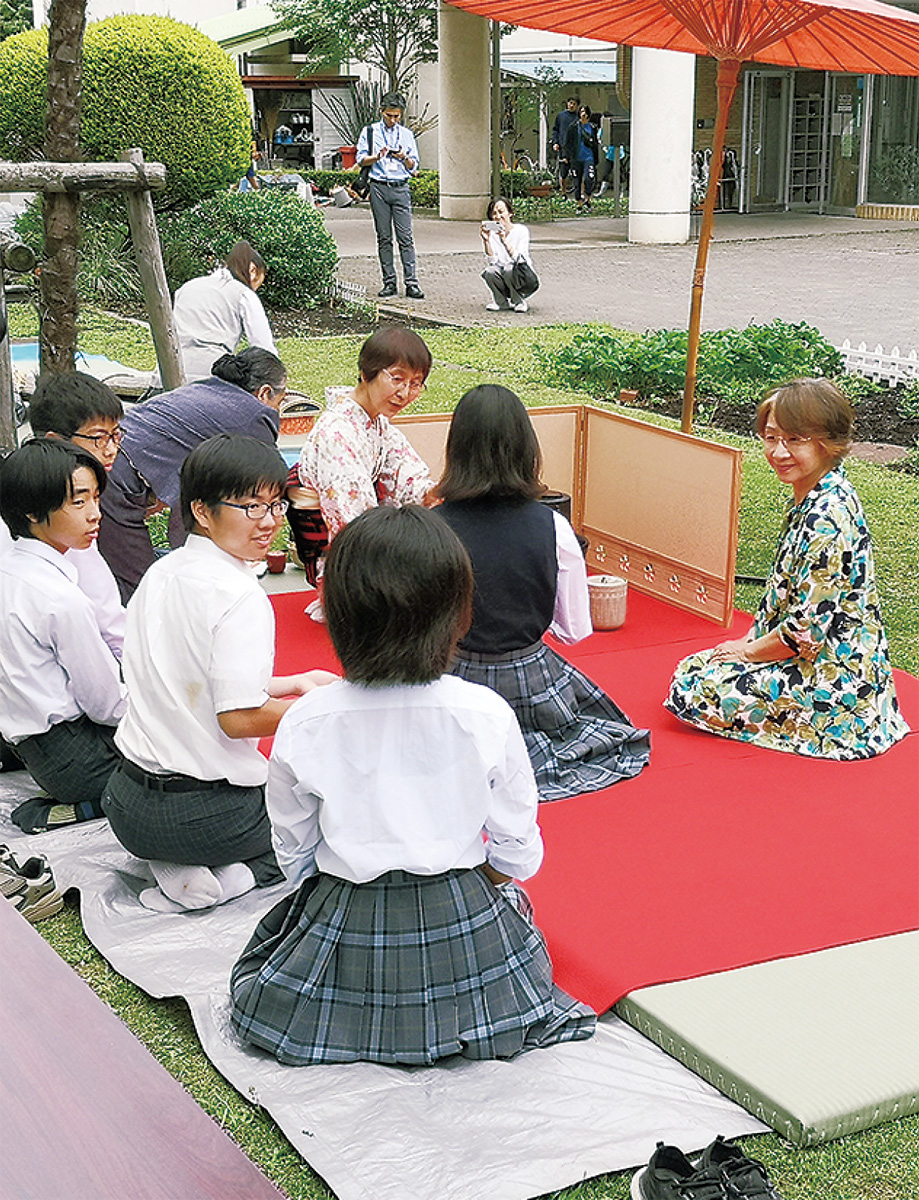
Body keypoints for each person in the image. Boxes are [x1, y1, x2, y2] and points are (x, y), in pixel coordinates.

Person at [229, 505, 596, 1065]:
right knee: (515, 920)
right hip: (463, 916)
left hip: (346, 914)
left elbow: (294, 846)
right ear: (458, 615)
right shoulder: (485, 713)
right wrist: (486, 880)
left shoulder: (306, 719)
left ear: (340, 613)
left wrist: (322, 899)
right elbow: (518, 843)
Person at [102, 435, 337, 915]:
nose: (270, 521)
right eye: (250, 506)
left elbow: (184, 678)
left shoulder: (161, 574)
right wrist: (320, 706)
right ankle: (230, 878)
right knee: (327, 821)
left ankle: (172, 864)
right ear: (202, 511)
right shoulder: (238, 595)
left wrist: (289, 685)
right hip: (205, 816)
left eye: (275, 504)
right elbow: (238, 718)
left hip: (125, 804)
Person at [666, 379, 910, 759]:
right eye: (771, 438)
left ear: (827, 443)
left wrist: (745, 653)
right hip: (832, 667)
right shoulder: (821, 494)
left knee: (694, 686)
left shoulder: (827, 517)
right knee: (698, 668)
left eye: (795, 440)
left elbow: (805, 634)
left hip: (834, 685)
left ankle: (823, 730)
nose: (778, 452)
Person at [435, 385, 651, 801]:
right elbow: (574, 630)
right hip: (530, 683)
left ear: (456, 447)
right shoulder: (551, 527)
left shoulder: (431, 525)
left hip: (451, 683)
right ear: (526, 447)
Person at [0, 440, 126, 834]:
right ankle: (78, 809)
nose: (95, 515)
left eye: (96, 499)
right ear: (33, 512)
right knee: (181, 774)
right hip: (75, 758)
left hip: (32, 746)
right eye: (79, 503)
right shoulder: (60, 598)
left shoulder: (12, 568)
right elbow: (106, 705)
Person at [97, 348, 287, 602]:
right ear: (264, 393)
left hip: (114, 465)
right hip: (116, 477)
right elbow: (270, 480)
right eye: (281, 401)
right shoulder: (255, 413)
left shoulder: (209, 389)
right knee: (141, 591)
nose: (279, 410)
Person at [287, 326, 435, 587]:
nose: (405, 393)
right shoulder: (337, 433)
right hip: (347, 567)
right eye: (397, 379)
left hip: (368, 548)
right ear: (367, 373)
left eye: (415, 383)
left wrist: (437, 494)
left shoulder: (377, 424)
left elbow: (409, 477)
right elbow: (355, 523)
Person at [10, 371, 126, 660]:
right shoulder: (63, 524)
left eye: (116, 435)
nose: (111, 450)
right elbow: (109, 623)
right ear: (54, 440)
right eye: (98, 438)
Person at [172, 241, 276, 382]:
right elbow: (264, 350)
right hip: (209, 378)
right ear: (252, 270)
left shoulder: (186, 288)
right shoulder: (244, 294)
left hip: (167, 373)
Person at [356, 92, 424, 300]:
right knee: (384, 238)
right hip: (379, 187)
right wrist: (376, 157)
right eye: (388, 115)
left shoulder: (406, 134)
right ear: (381, 112)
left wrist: (405, 158)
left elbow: (415, 167)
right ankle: (389, 282)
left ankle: (411, 283)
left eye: (396, 116)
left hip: (401, 187)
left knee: (406, 238)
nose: (392, 120)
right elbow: (360, 160)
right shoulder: (369, 131)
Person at [479, 196, 534, 314]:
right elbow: (493, 262)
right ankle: (500, 302)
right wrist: (486, 241)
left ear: (510, 213)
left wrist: (504, 240)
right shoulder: (493, 233)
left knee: (509, 268)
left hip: (521, 276)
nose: (498, 216)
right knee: (490, 271)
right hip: (503, 274)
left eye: (501, 212)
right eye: (494, 213)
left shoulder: (521, 231)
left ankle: (518, 301)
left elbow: (519, 259)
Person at [564, 105, 600, 213]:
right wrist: (567, 156)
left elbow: (595, 143)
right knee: (577, 181)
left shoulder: (593, 127)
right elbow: (568, 143)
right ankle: (579, 204)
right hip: (576, 158)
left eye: (585, 112)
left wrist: (596, 157)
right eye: (581, 112)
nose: (583, 114)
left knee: (590, 178)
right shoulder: (573, 127)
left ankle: (588, 199)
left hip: (589, 157)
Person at [551, 98, 579, 197]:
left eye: (574, 104)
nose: (572, 105)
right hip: (563, 148)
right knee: (563, 173)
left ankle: (580, 193)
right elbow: (556, 130)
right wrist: (555, 142)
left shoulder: (578, 117)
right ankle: (563, 192)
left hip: (576, 149)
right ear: (567, 104)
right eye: (570, 103)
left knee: (577, 172)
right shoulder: (561, 116)